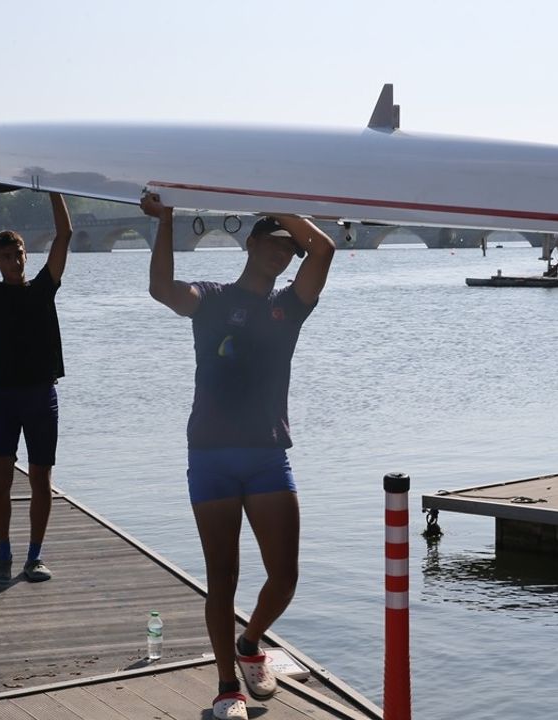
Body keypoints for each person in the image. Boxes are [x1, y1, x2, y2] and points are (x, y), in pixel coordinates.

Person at [141, 192, 334, 720]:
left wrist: (282, 201)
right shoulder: (215, 297)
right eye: (275, 242)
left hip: (268, 453)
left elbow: (324, 251)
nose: (285, 253)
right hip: (210, 455)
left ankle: (250, 644)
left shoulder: (289, 307)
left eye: (289, 249)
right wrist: (167, 219)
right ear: (250, 242)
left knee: (285, 575)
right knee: (221, 577)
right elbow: (161, 289)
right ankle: (228, 687)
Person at [0, 172, 72, 585]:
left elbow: (64, 236)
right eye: (7, 256)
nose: (15, 261)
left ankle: (35, 557)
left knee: (42, 479)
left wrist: (54, 187)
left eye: (20, 254)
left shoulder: (43, 288)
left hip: (42, 396)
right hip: (4, 398)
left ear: (26, 255)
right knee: (2, 479)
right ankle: (3, 554)